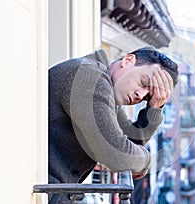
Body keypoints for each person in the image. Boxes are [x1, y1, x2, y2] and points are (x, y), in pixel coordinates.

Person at [48, 47, 179, 203]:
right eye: (143, 83)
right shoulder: (90, 78)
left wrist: (154, 108)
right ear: (128, 60)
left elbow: (132, 140)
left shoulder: (106, 87)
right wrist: (147, 161)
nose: (140, 95)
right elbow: (117, 154)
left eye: (147, 96)